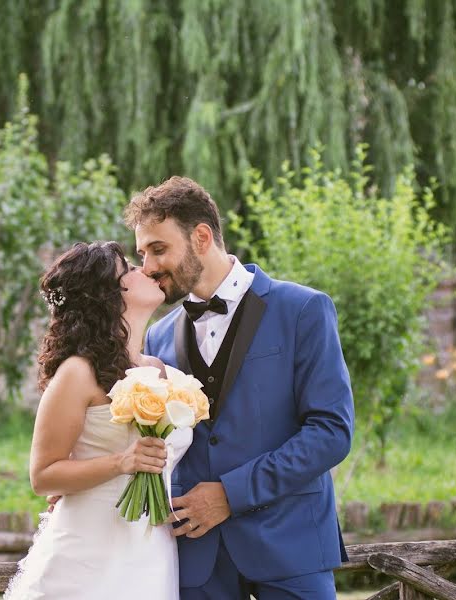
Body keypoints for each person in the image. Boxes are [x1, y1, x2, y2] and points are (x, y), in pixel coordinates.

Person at [127, 176, 355, 599]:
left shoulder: (303, 310)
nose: (148, 267)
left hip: (291, 546)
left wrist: (231, 495)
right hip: (195, 558)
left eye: (158, 249)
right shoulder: (157, 339)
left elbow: (331, 433)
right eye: (142, 253)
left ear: (201, 237)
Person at [3, 241, 179, 600]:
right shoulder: (78, 373)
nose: (144, 270)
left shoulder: (161, 370)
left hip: (150, 551)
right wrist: (121, 462)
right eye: (128, 268)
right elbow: (43, 475)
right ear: (107, 296)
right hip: (87, 553)